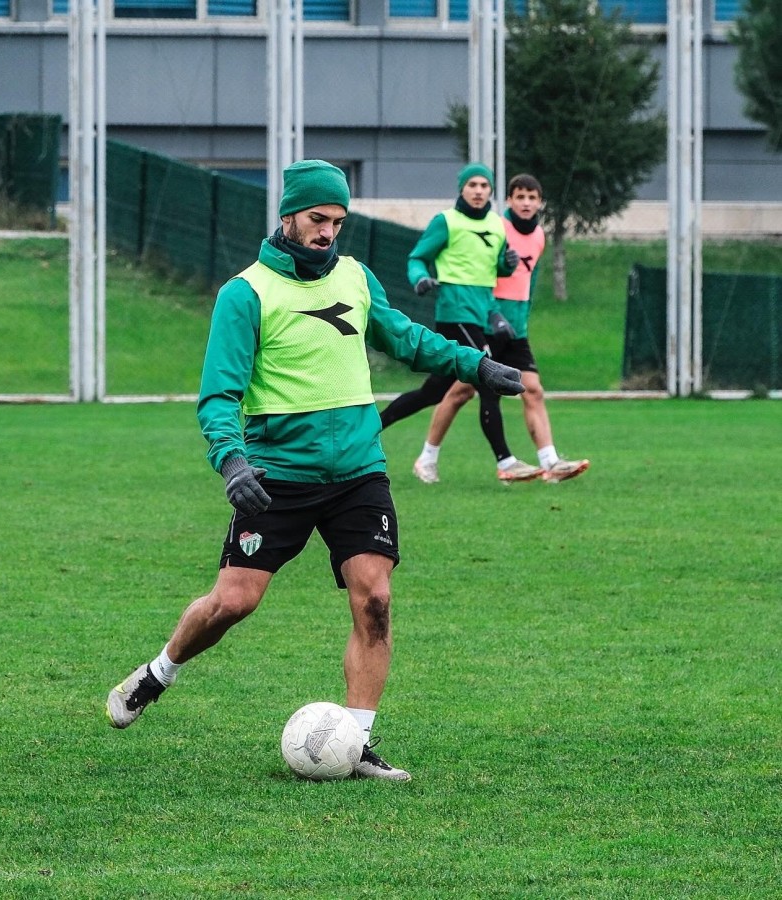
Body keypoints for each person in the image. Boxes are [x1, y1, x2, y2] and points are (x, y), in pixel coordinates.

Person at [105, 159, 525, 781]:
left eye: (338, 221)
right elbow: (219, 396)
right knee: (233, 602)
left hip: (358, 470)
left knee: (375, 599)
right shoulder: (245, 293)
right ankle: (158, 672)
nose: (328, 232)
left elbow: (406, 338)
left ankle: (356, 742)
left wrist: (475, 366)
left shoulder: (355, 276)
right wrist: (232, 461)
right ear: (287, 217)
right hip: (277, 474)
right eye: (317, 219)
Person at [412, 173, 590, 484]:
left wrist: (521, 320)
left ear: (540, 202)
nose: (526, 203)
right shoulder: (496, 226)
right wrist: (491, 313)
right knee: (460, 392)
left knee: (532, 389)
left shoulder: (539, 236)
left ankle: (551, 462)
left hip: (515, 329)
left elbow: (527, 280)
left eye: (532, 198)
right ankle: (430, 458)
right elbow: (482, 272)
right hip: (487, 324)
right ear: (508, 200)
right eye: (520, 197)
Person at [378, 162, 520, 484]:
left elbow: (493, 270)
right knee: (489, 380)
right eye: (473, 185)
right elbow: (417, 257)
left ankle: (371, 430)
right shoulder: (446, 221)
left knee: (433, 392)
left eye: (484, 186)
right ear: (461, 188)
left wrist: (507, 265)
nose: (479, 191)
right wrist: (420, 278)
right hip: (455, 313)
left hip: (480, 314)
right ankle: (507, 462)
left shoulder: (498, 225)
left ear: (491, 190)